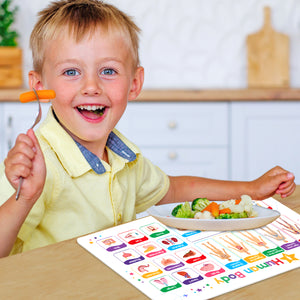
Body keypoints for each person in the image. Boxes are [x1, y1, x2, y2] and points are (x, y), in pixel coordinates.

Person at [0, 0, 295, 258]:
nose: (91, 87)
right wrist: (25, 197)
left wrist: (251, 189)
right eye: (71, 72)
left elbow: (174, 189)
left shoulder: (124, 156)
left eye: (108, 71)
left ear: (135, 83)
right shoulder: (33, 165)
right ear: (40, 87)